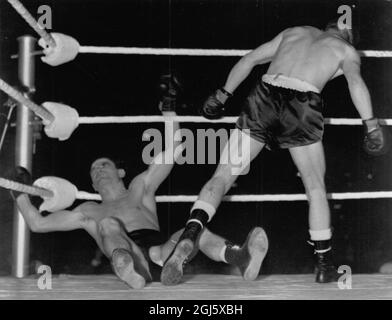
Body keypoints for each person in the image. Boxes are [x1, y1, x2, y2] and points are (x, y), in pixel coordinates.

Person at [161, 20, 389, 285]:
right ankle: (324, 266)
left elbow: (249, 60)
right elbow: (356, 84)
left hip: (265, 94)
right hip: (302, 104)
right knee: (315, 187)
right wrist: (371, 125)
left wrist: (222, 95)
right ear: (348, 37)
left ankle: (191, 231)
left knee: (223, 175)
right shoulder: (345, 51)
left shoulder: (296, 32)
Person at [11, 75, 268, 289]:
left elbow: (174, 151)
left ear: (120, 173)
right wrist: (19, 192)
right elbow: (37, 223)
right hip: (131, 259)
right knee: (109, 224)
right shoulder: (87, 210)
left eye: (104, 165)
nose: (98, 170)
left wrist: (169, 110)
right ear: (91, 183)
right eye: (93, 170)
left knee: (193, 233)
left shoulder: (139, 187)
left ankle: (241, 256)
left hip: (161, 254)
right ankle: (128, 267)